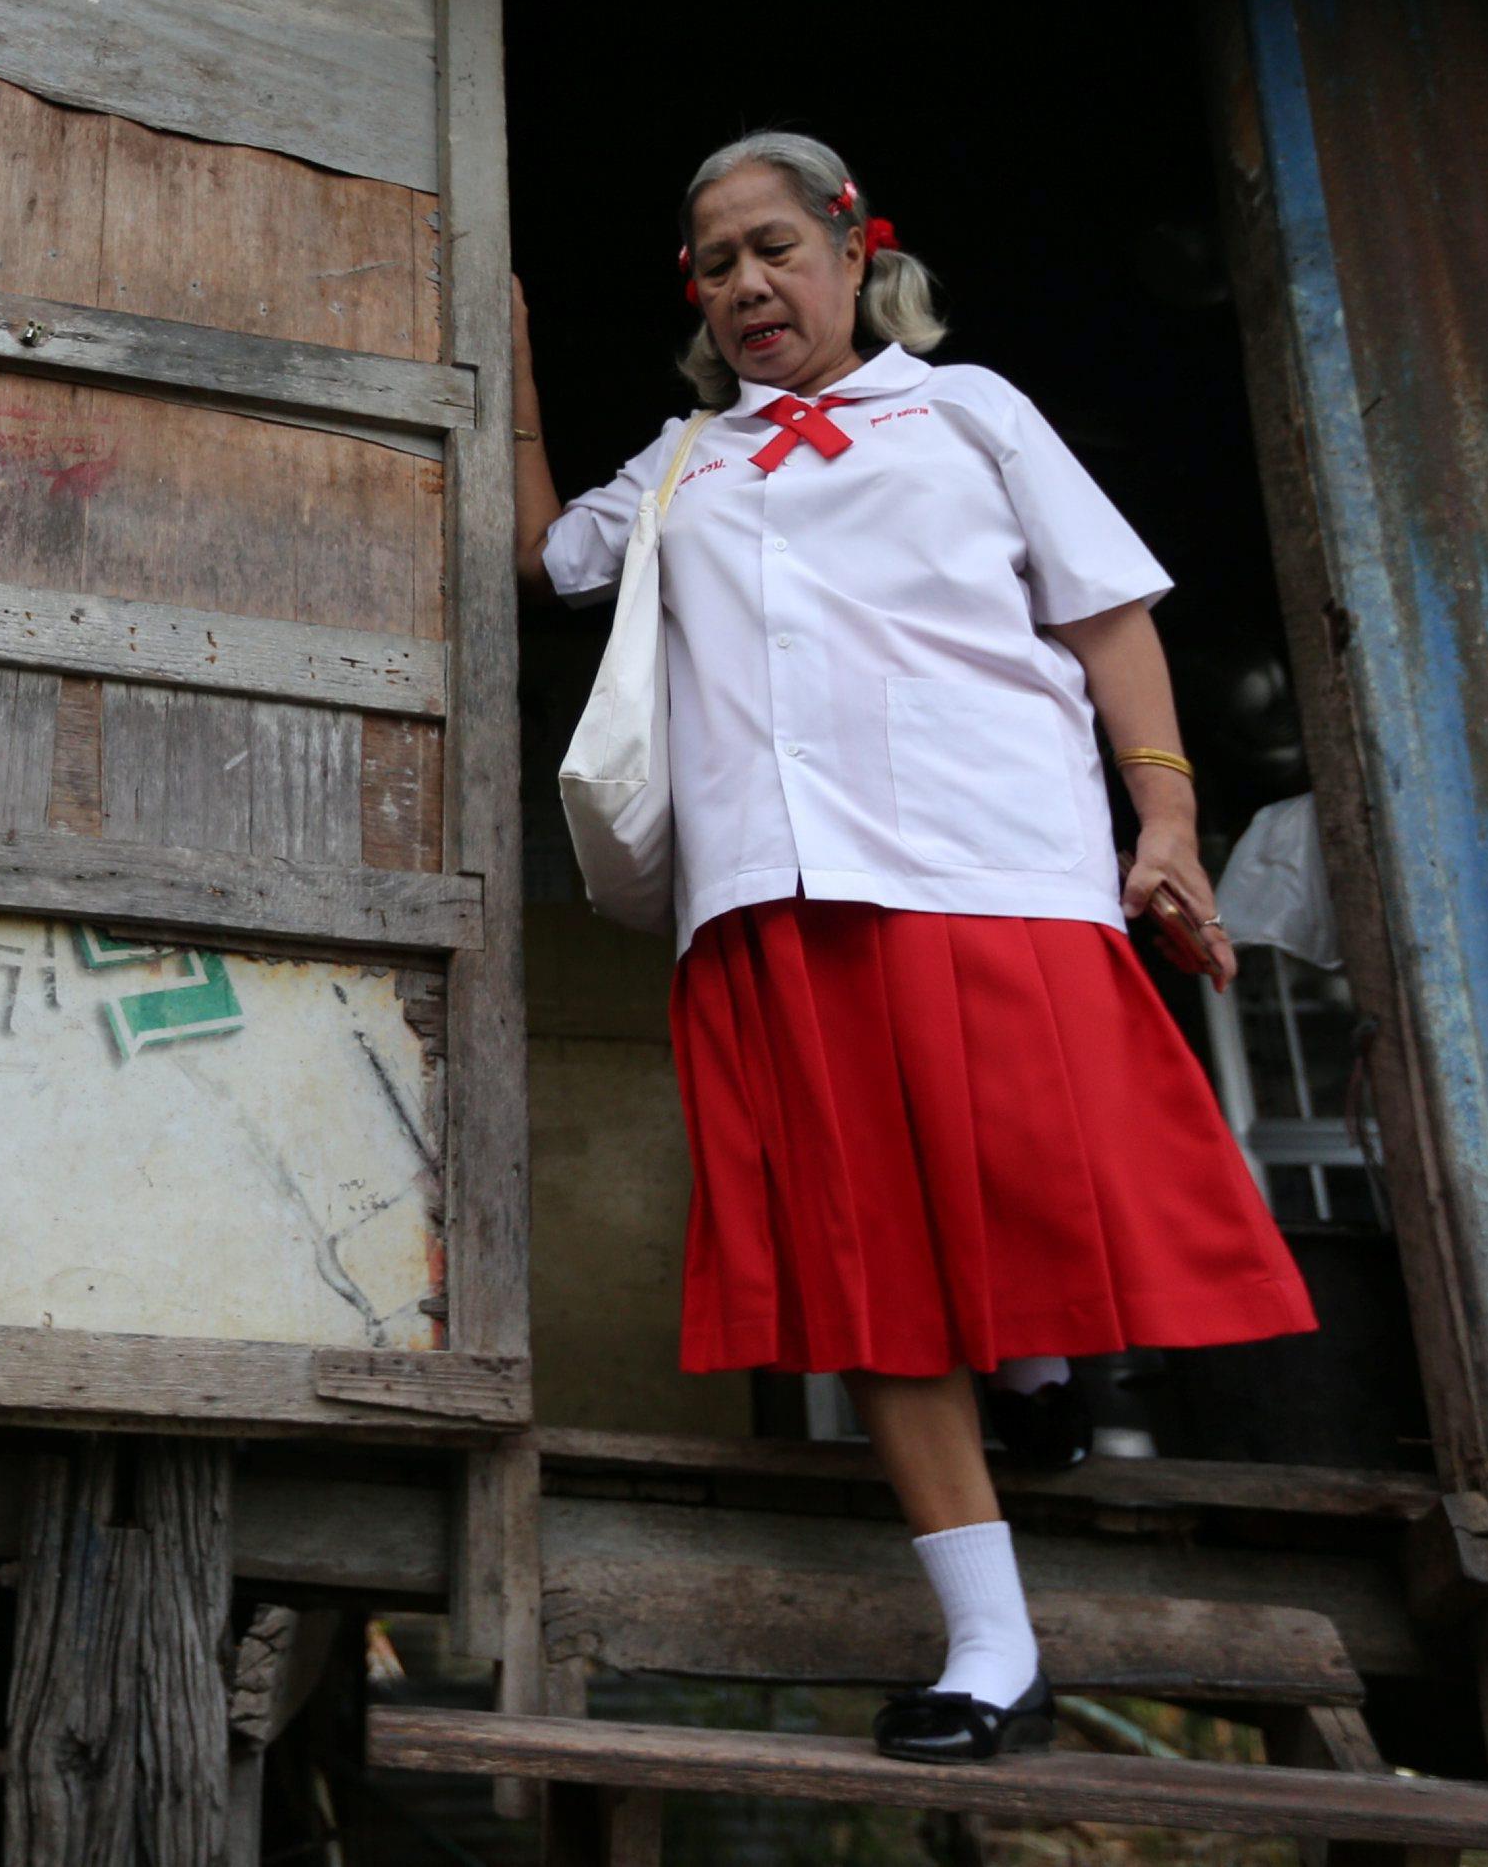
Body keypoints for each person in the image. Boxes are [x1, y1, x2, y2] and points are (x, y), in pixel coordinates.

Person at [511, 131, 1316, 1763]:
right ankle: (989, 1640)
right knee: (865, 1253)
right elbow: (540, 560)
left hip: (992, 865)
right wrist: (504, 354)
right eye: (714, 262)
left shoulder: (974, 412)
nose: (746, 284)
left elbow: (1108, 616)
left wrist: (1162, 819)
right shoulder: (678, 466)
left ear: (854, 249)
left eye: (773, 249)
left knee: (1025, 1169)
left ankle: (1031, 1365)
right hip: (773, 897)